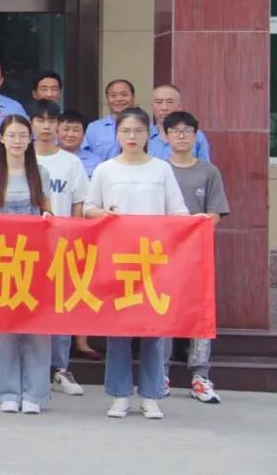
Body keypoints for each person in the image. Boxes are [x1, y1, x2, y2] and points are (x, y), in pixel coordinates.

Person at [84, 107, 190, 420]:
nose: (132, 136)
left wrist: (192, 223)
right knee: (117, 329)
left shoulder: (161, 169)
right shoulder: (105, 169)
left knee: (152, 330)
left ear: (149, 134)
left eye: (138, 131)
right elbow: (89, 207)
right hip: (116, 259)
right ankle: (119, 395)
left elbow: (178, 211)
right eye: (126, 131)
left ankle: (151, 394)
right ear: (117, 134)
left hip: (153, 260)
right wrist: (104, 214)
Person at [0, 115, 53, 415]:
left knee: (37, 328)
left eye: (23, 135)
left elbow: (48, 212)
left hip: (35, 260)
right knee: (5, 329)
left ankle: (35, 393)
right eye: (12, 135)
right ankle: (8, 392)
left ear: (30, 140)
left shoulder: (40, 173)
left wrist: (47, 218)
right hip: (2, 261)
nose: (18, 141)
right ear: (2, 139)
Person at [162, 110, 229, 404]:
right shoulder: (158, 170)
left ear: (195, 135)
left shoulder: (208, 171)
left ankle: (200, 376)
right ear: (165, 135)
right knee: (162, 308)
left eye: (187, 131)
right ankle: (160, 373)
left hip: (198, 254)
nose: (181, 136)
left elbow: (215, 213)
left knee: (200, 311)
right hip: (163, 254)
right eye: (175, 131)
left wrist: (191, 230)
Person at [30, 100, 90, 397]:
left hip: (62, 246)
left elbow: (79, 205)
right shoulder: (21, 157)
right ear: (31, 124)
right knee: (30, 308)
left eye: (51, 120)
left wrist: (75, 242)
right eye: (40, 120)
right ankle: (34, 369)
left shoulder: (71, 162)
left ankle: (60, 368)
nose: (46, 126)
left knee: (62, 309)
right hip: (27, 248)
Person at [150, 85, 211, 161]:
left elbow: (204, 166)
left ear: (179, 106)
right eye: (159, 102)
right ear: (152, 106)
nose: (164, 108)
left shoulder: (196, 136)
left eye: (170, 102)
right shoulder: (144, 135)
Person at [83, 79, 136, 162]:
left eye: (124, 95)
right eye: (113, 96)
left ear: (133, 97)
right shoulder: (94, 128)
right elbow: (84, 157)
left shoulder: (146, 128)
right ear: (107, 99)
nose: (119, 99)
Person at [57, 108, 102, 178]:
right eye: (66, 129)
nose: (70, 134)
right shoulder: (47, 158)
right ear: (56, 132)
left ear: (83, 134)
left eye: (76, 130)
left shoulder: (96, 162)